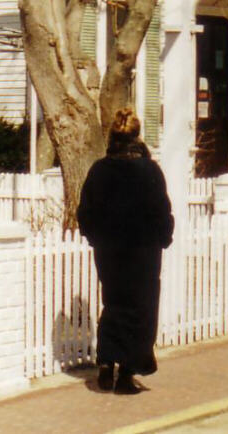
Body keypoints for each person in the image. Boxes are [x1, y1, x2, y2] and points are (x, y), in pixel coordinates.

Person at [77, 109, 174, 393]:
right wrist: (164, 237)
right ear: (137, 134)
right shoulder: (149, 170)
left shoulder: (100, 169)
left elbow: (86, 212)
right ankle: (126, 373)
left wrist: (96, 238)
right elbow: (161, 211)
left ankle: (106, 363)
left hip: (110, 251)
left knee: (114, 304)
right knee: (141, 309)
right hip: (143, 251)